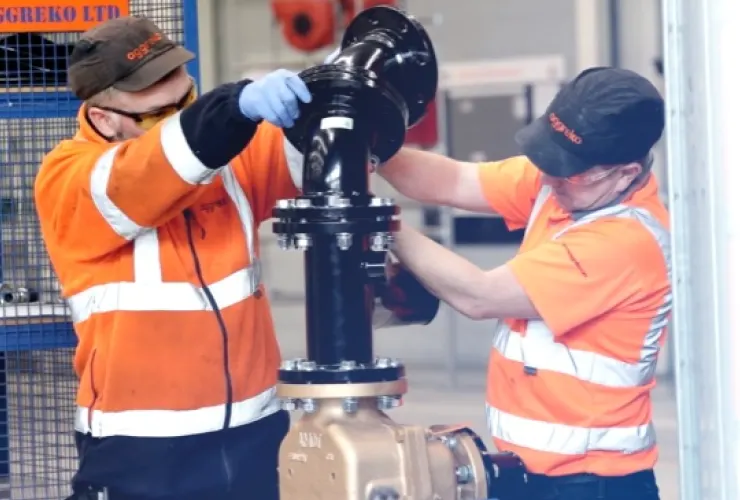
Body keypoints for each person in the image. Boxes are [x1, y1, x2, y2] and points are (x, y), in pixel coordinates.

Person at [35, 16, 311, 500]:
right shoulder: (69, 178)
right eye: (156, 113)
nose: (179, 116)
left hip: (257, 435)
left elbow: (317, 155)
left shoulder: (230, 156)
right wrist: (230, 108)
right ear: (104, 118)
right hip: (142, 453)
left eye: (187, 100)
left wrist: (333, 97)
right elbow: (146, 174)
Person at [378, 67, 670, 500]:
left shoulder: (626, 242)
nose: (550, 179)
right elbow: (454, 180)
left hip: (592, 485)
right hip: (529, 475)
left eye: (569, 172)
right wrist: (370, 148)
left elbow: (479, 295)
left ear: (626, 173)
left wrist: (381, 222)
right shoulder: (565, 184)